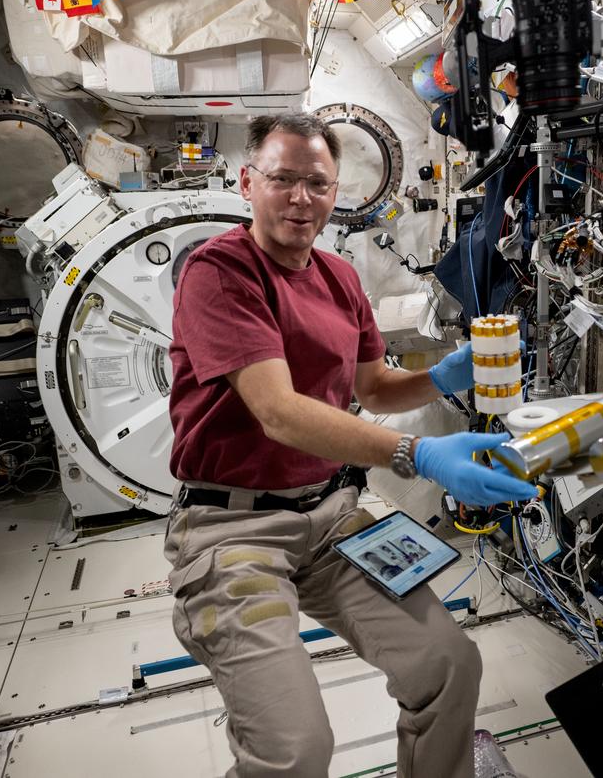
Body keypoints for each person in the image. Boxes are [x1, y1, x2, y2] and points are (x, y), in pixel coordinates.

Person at [164, 113, 537, 778]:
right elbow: (278, 412)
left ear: (336, 193)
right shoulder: (219, 270)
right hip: (235, 529)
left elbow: (373, 387)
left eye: (318, 183)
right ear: (247, 182)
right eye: (282, 179)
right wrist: (417, 454)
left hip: (332, 519)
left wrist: (440, 375)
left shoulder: (338, 276)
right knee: (295, 750)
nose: (300, 198)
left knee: (449, 665)